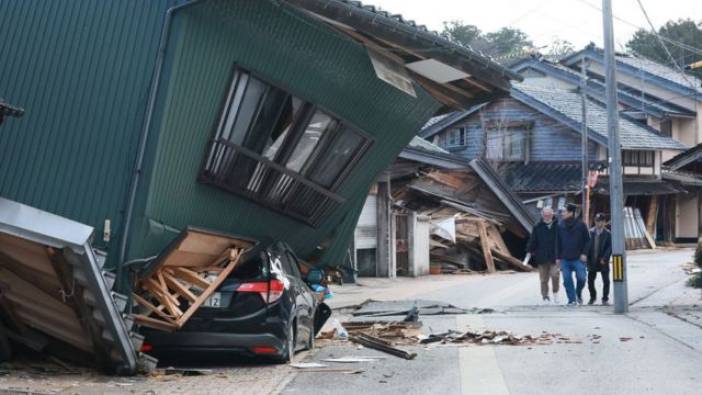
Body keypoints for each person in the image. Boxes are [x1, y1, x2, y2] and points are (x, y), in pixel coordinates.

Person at [556, 203, 590, 306]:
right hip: (564, 258)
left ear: (571, 213)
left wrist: (584, 253)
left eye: (564, 211)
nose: (562, 213)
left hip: (578, 258)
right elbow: (557, 242)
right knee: (567, 279)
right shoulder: (560, 225)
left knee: (581, 278)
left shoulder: (581, 225)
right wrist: (557, 257)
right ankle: (572, 300)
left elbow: (588, 241)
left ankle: (578, 292)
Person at [526, 207, 560, 304]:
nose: (547, 216)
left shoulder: (558, 225)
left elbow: (562, 240)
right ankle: (545, 297)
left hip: (555, 256)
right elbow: (533, 240)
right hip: (542, 256)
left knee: (555, 275)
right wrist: (529, 250)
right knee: (543, 279)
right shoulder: (537, 226)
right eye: (545, 214)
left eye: (549, 214)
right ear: (542, 215)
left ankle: (555, 292)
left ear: (552, 214)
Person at [587, 213, 612, 305]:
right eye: (597, 221)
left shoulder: (608, 234)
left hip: (603, 261)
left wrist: (605, 258)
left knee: (606, 281)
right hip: (592, 260)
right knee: (590, 281)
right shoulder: (590, 232)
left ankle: (605, 298)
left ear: (604, 222)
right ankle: (592, 297)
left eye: (601, 221)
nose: (599, 223)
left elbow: (610, 248)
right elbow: (586, 246)